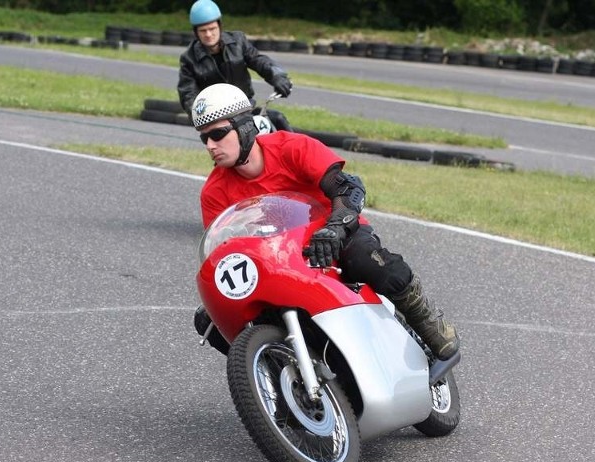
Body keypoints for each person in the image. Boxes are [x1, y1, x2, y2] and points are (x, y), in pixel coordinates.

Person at [192, 83, 460, 361]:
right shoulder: (213, 192)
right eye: (204, 139)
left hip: (334, 234)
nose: (211, 146)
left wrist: (335, 229)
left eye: (218, 134)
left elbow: (348, 189)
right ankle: (276, 369)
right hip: (277, 260)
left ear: (245, 127)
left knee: (366, 258)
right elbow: (225, 251)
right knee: (209, 320)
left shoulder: (293, 147)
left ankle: (427, 321)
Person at [177, 0, 293, 131]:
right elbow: (188, 94)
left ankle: (298, 150)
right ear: (196, 32)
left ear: (219, 26)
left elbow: (258, 60)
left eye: (212, 29)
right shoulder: (189, 59)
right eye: (203, 31)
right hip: (218, 119)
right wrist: (202, 116)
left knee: (278, 119)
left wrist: (277, 75)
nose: (208, 34)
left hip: (245, 108)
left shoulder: (238, 41)